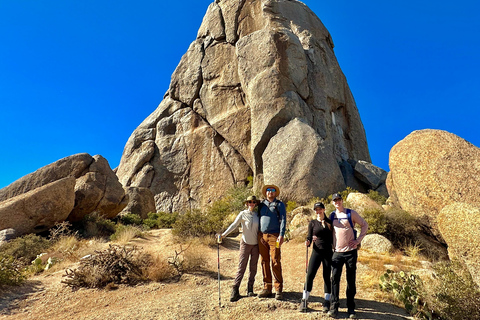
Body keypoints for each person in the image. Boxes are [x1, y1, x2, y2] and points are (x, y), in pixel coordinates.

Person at [327, 193, 368, 319]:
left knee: (351, 280)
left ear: (342, 200)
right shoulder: (332, 216)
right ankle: (334, 307)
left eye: (339, 199)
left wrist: (358, 241)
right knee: (334, 280)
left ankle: (351, 309)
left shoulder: (351, 213)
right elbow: (328, 231)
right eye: (335, 200)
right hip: (337, 253)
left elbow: (364, 225)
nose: (337, 202)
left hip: (350, 252)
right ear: (333, 203)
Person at [218, 195, 260, 302]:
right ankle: (235, 290)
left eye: (253, 202)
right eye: (250, 202)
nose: (251, 203)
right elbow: (234, 225)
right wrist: (223, 235)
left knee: (253, 267)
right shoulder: (242, 214)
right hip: (245, 243)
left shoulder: (257, 215)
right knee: (242, 266)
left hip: (256, 244)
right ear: (247, 203)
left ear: (255, 204)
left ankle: (250, 289)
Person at [299, 202, 333, 313]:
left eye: (320, 209)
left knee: (327, 276)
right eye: (316, 210)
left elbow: (334, 238)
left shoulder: (330, 222)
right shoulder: (312, 223)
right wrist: (308, 241)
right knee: (310, 275)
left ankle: (327, 301)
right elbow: (309, 236)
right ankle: (304, 299)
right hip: (316, 252)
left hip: (328, 253)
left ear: (324, 209)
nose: (318, 211)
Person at [257, 184, 287, 300]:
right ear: (265, 192)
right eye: (268, 190)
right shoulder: (261, 205)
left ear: (275, 193)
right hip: (262, 236)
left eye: (272, 190)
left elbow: (283, 219)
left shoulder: (279, 204)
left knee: (275, 260)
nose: (270, 192)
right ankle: (267, 288)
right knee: (264, 261)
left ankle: (278, 289)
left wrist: (281, 234)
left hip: (275, 236)